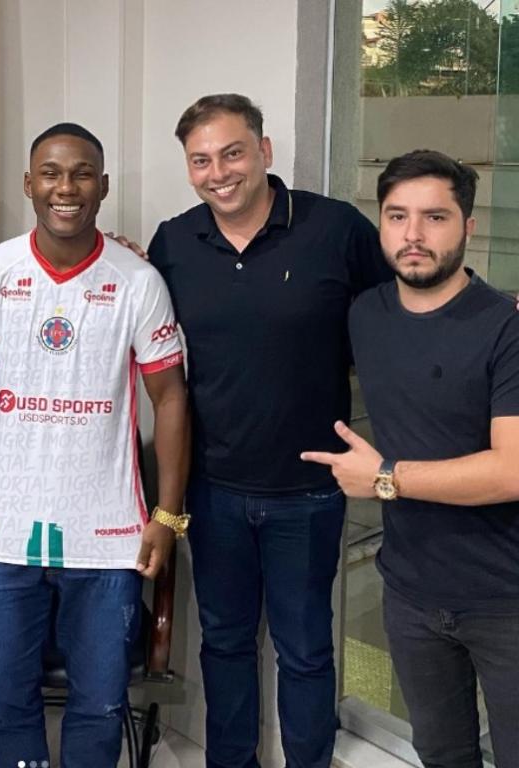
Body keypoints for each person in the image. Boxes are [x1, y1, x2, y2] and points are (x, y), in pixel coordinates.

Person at [146, 93, 391, 768]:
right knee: (224, 644)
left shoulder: (334, 228)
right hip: (213, 488)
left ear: (264, 151)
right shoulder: (174, 241)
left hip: (309, 489)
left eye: (232, 153)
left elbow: (400, 310)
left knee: (304, 649)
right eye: (201, 160)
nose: (218, 172)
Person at [0, 122, 190, 768]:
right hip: (1, 535)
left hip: (108, 539)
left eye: (82, 174)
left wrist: (167, 516)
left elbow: (170, 399)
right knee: (5, 702)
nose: (66, 188)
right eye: (51, 173)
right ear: (29, 184)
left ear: (103, 186)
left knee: (100, 705)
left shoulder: (138, 281)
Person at [302, 149, 519, 768]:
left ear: (468, 226)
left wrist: (385, 479)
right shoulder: (365, 314)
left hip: (506, 599)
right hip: (411, 593)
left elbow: (512, 470)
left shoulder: (505, 326)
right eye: (397, 216)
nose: (413, 234)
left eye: (435, 217)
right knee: (442, 754)